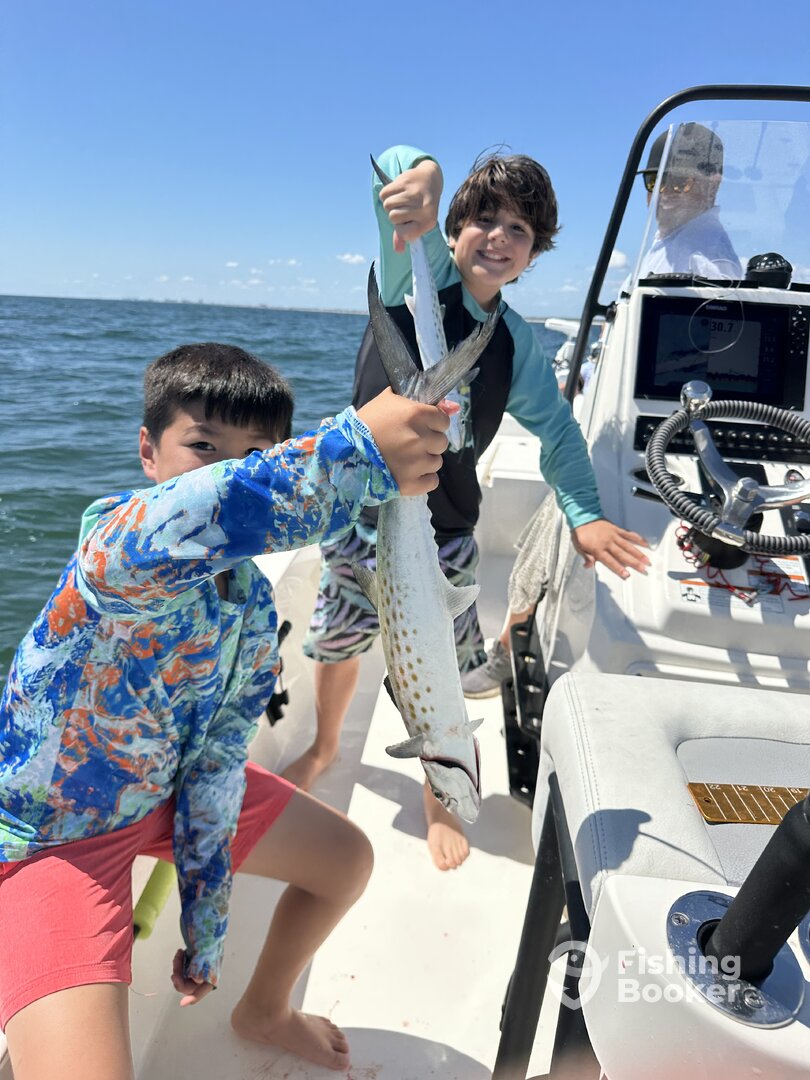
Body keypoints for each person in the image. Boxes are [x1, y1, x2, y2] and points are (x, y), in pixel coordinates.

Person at [0, 342, 454, 1080]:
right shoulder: (116, 551)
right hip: (51, 838)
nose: (223, 468)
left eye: (252, 454)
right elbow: (209, 508)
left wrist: (205, 927)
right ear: (148, 451)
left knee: (346, 861)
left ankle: (265, 1009)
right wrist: (358, 451)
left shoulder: (250, 611)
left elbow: (215, 768)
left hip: (164, 792)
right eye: (203, 446)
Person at [283, 146, 649, 871]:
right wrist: (420, 176)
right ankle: (325, 745)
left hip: (443, 529)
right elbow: (393, 168)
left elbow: (559, 434)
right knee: (338, 643)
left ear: (534, 253)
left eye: (519, 230)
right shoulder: (411, 277)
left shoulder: (515, 344)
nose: (499, 237)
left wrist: (584, 513)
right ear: (451, 228)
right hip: (355, 518)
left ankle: (437, 789)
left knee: (446, 665)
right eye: (484, 218)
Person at [637, 122, 742, 280]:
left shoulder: (708, 259)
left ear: (711, 187)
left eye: (680, 182)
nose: (665, 193)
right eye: (655, 181)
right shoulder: (668, 242)